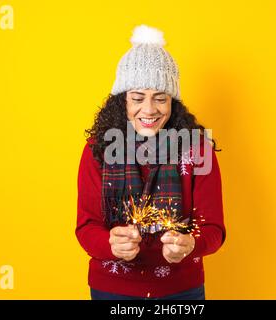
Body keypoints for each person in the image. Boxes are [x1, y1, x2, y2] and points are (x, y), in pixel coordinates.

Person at [75, 25, 226, 300]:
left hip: (181, 291)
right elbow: (86, 227)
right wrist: (111, 244)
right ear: (122, 101)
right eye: (137, 98)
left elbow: (214, 229)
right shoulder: (98, 149)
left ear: (173, 101)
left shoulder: (197, 149)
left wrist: (191, 243)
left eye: (160, 98)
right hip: (112, 290)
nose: (149, 109)